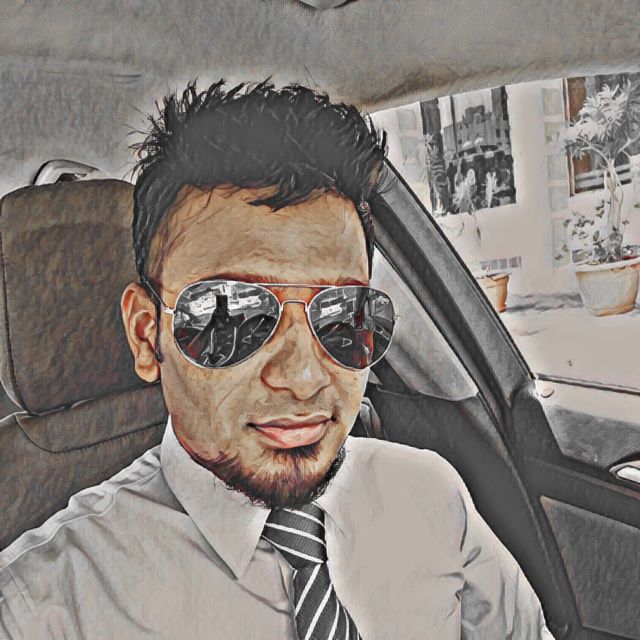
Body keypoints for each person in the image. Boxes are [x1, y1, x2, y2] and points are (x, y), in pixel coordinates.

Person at [0, 80, 555, 639]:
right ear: (147, 337)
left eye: (343, 316)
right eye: (230, 316)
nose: (304, 377)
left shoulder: (432, 495)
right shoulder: (42, 607)